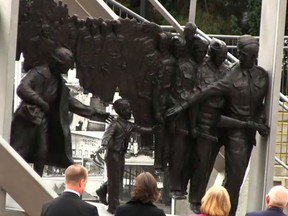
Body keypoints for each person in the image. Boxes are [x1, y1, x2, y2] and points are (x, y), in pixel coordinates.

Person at [166, 35, 269, 215]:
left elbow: (260, 105)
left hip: (247, 134)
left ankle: (227, 211)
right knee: (211, 168)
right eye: (240, 54)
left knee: (235, 181)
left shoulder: (262, 76)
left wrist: (260, 121)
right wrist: (182, 106)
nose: (240, 57)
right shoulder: (231, 75)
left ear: (254, 55)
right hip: (233, 129)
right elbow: (205, 92)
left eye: (244, 55)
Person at [10, 47, 112, 176]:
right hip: (28, 118)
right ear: (58, 63)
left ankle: (36, 181)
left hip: (42, 120)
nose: (68, 70)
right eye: (67, 66)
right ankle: (9, 177)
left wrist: (96, 113)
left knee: (42, 152)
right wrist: (41, 102)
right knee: (19, 151)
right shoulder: (39, 72)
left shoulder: (58, 82)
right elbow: (22, 88)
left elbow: (70, 102)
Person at [96, 98, 156, 214]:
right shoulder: (115, 124)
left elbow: (141, 129)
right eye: (128, 109)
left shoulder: (128, 125)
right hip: (113, 154)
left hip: (121, 154)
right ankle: (113, 206)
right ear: (122, 111)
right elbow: (107, 136)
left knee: (117, 179)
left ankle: (102, 190)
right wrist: (104, 145)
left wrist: (153, 130)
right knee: (115, 181)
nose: (131, 111)